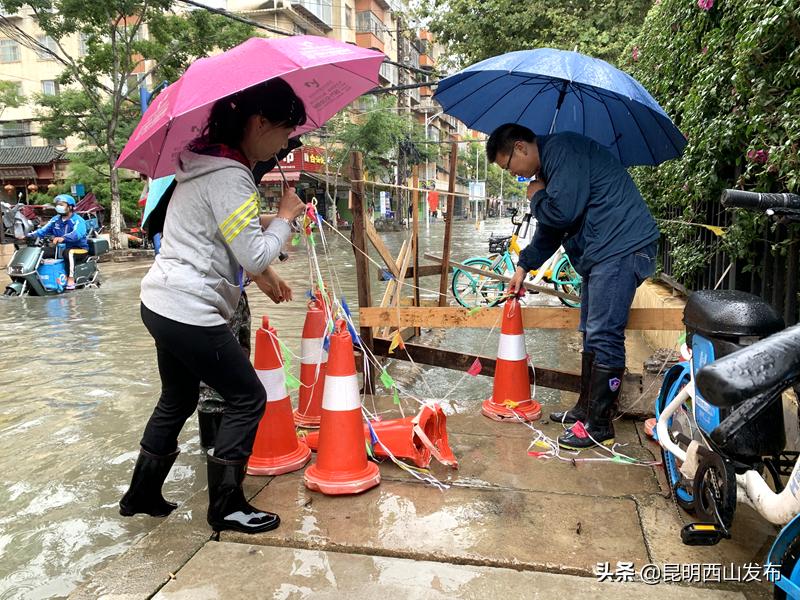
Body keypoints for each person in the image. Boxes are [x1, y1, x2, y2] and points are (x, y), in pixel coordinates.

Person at [119, 78, 307, 535]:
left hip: (160, 302)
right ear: (259, 123)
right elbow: (255, 257)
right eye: (284, 132)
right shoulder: (231, 174)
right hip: (191, 309)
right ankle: (226, 506)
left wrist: (274, 221)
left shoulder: (203, 163)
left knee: (178, 397)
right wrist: (284, 219)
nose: (284, 144)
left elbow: (227, 225)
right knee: (248, 397)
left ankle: (141, 494)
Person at [487, 123, 659, 450]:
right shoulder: (550, 167)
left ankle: (599, 425)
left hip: (622, 246)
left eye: (508, 166)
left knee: (604, 333)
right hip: (602, 251)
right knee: (590, 332)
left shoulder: (563, 151)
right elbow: (552, 229)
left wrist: (537, 196)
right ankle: (586, 409)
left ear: (520, 148)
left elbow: (562, 214)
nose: (513, 174)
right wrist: (523, 266)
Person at [29, 194, 89, 290]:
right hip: (60, 248)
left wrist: (63, 238)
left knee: (69, 252)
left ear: (70, 207)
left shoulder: (78, 220)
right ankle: (39, 278)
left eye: (61, 204)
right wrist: (27, 235)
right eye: (57, 204)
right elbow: (42, 231)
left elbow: (77, 234)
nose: (58, 207)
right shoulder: (55, 220)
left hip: (80, 249)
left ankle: (70, 279)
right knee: (40, 252)